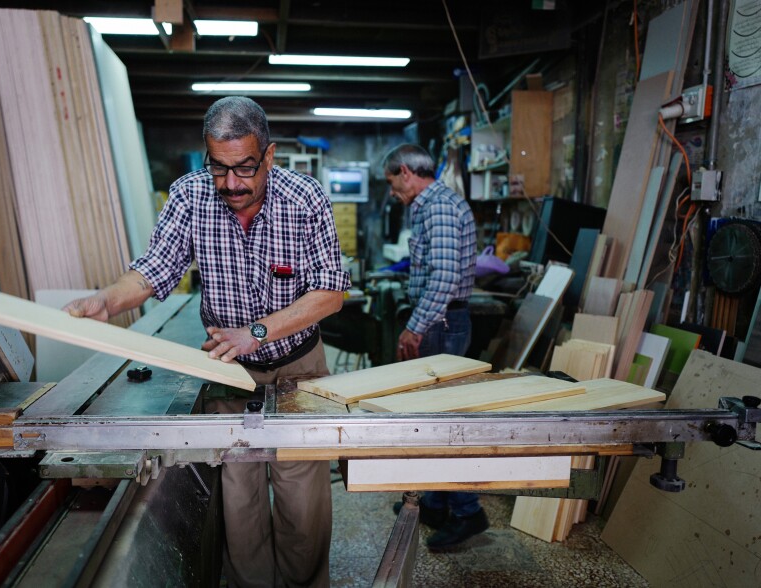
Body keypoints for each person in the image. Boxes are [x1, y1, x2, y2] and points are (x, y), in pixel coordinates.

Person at [65, 96, 350, 587]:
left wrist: (256, 332)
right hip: (228, 375)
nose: (232, 184)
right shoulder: (189, 196)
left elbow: (331, 292)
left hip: (299, 368)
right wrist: (106, 301)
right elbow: (154, 270)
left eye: (244, 169)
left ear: (270, 155)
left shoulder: (306, 200)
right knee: (239, 509)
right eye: (219, 169)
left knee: (303, 508)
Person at [383, 143, 488, 551]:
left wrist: (414, 328)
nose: (394, 194)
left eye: (394, 185)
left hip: (441, 324)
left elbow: (443, 277)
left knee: (444, 423)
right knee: (432, 417)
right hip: (439, 321)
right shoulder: (430, 205)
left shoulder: (438, 206)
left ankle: (468, 512)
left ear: (407, 172)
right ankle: (436, 503)